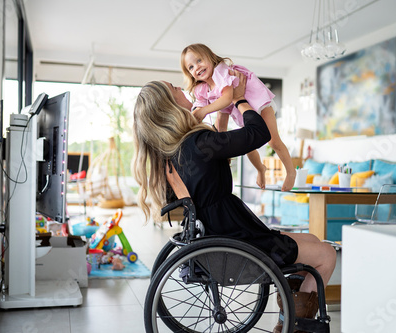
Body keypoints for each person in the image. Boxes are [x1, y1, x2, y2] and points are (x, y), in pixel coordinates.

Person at [132, 72, 336, 333]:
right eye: (175, 88)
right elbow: (258, 132)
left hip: (222, 231)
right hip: (236, 236)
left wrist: (222, 110)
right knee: (327, 253)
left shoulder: (174, 151)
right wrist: (240, 99)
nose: (183, 89)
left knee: (313, 241)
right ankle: (295, 323)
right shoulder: (197, 142)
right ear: (170, 106)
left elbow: (221, 143)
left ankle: (291, 303)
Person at [180, 43, 296, 191]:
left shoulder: (220, 71)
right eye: (190, 67)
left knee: (273, 141)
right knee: (247, 145)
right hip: (241, 111)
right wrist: (193, 116)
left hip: (258, 103)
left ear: (210, 57)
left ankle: (291, 172)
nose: (196, 67)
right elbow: (199, 106)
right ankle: (260, 169)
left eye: (199, 61)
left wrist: (204, 112)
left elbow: (227, 98)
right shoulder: (201, 88)